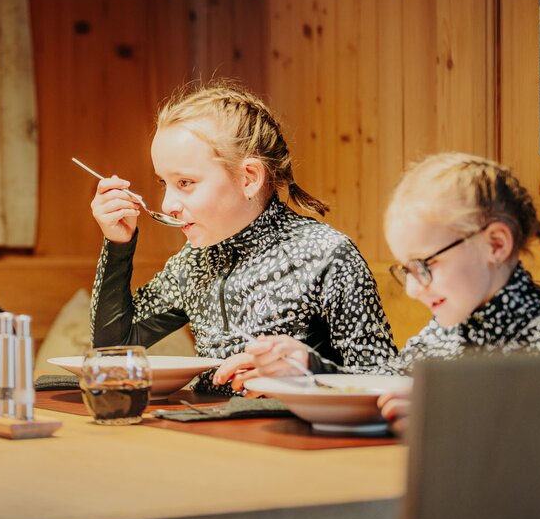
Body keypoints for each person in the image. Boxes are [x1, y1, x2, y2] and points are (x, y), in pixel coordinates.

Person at [248, 152, 540, 434]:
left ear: (495, 244)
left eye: (425, 266)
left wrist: (451, 426)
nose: (413, 289)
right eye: (407, 271)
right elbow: (388, 383)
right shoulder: (446, 330)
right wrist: (310, 366)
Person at [89, 81, 395, 397]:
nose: (168, 204)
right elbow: (114, 347)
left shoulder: (327, 254)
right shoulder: (193, 260)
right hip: (207, 434)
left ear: (248, 178)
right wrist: (118, 245)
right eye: (164, 183)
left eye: (185, 182)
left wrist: (309, 370)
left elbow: (384, 382)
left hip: (298, 441)